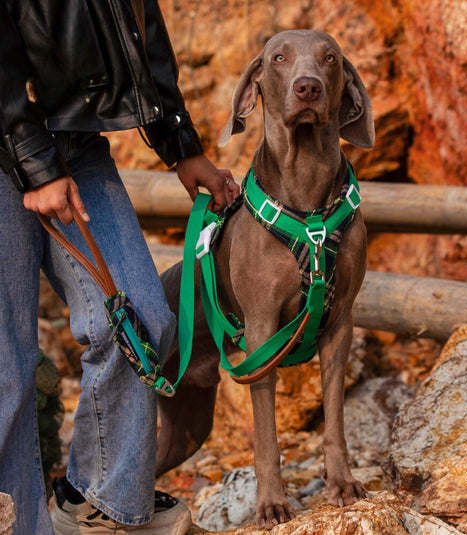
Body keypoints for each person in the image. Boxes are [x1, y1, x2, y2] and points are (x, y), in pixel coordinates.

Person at [0, 1, 239, 534]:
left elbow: (135, 25)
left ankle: (97, 507)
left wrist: (181, 146)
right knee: (5, 374)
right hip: (6, 138)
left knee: (138, 322)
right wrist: (32, 162)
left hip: (75, 142)